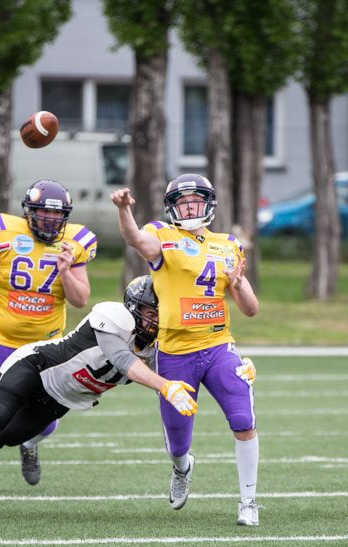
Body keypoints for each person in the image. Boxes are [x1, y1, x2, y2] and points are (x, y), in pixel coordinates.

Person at [0, 277, 198, 517]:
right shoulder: (115, 318)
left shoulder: (158, 350)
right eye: (150, 311)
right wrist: (164, 386)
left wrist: (233, 367)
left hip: (59, 399)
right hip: (34, 368)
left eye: (160, 313)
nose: (156, 319)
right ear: (133, 307)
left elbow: (189, 371)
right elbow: (122, 360)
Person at [112, 174, 261, 526]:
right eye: (183, 202)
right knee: (178, 439)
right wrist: (123, 211)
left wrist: (238, 285)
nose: (190, 207)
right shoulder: (164, 236)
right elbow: (136, 240)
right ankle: (182, 467)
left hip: (217, 345)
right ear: (172, 207)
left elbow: (251, 309)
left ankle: (249, 501)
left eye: (195, 201)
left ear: (208, 204)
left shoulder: (227, 245)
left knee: (243, 419)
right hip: (176, 352)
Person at [0, 179, 95, 493]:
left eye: (56, 216)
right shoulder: (6, 234)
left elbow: (80, 300)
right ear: (28, 212)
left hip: (44, 344)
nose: (49, 221)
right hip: (0, 336)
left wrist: (64, 270)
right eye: (43, 214)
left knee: (46, 420)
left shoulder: (73, 245)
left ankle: (30, 443)